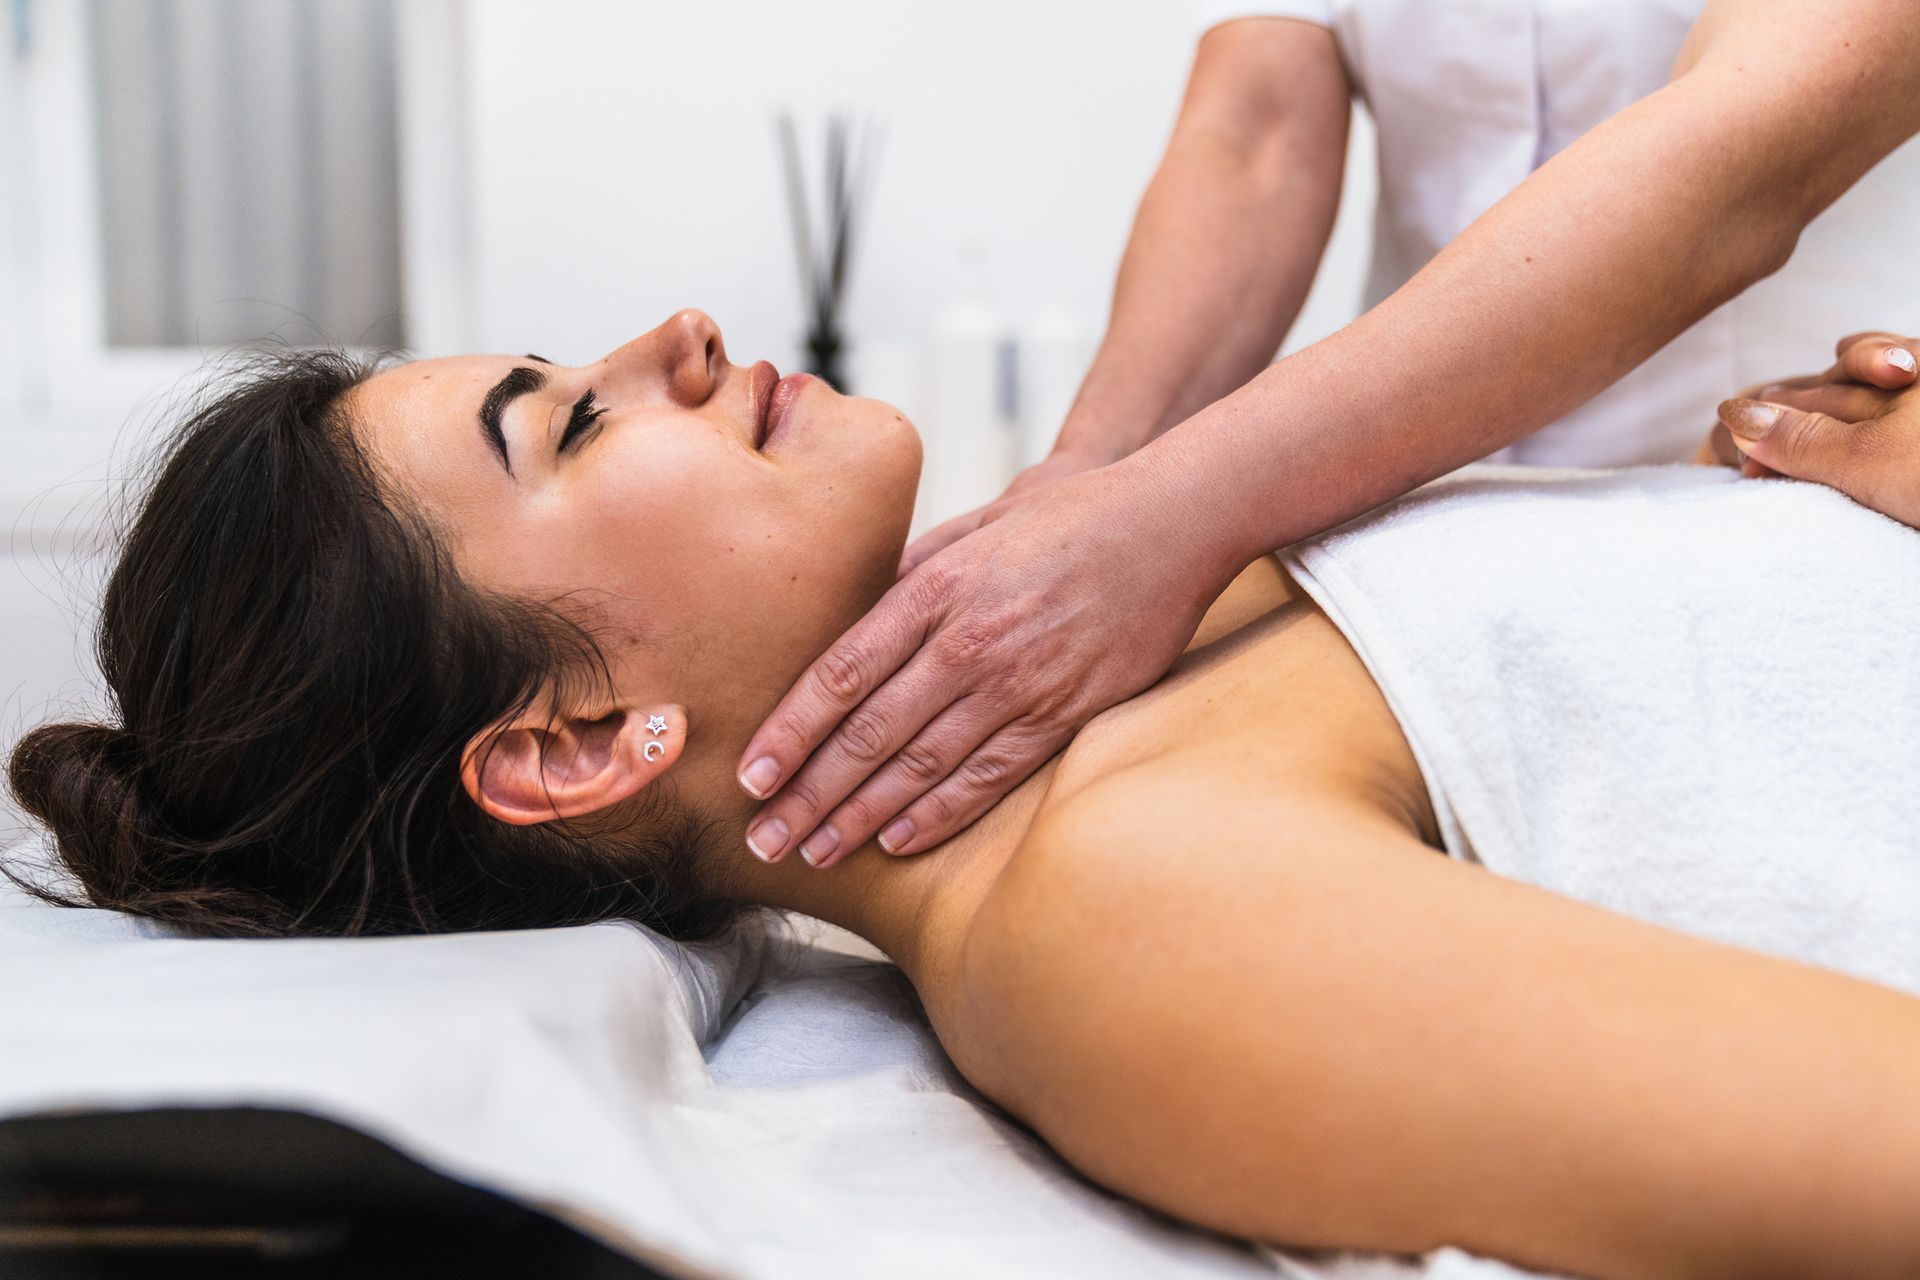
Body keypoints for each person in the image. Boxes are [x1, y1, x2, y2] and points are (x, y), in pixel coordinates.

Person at [8, 313, 1920, 1277]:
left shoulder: (1148, 623)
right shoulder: (1129, 920)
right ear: (579, 743)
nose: (673, 335)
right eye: (571, 423)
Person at [727, 0, 1920, 871]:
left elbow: (1737, 161)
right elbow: (1253, 137)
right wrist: (1085, 477)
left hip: (1813, 498)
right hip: (1412, 535)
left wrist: (1166, 509)